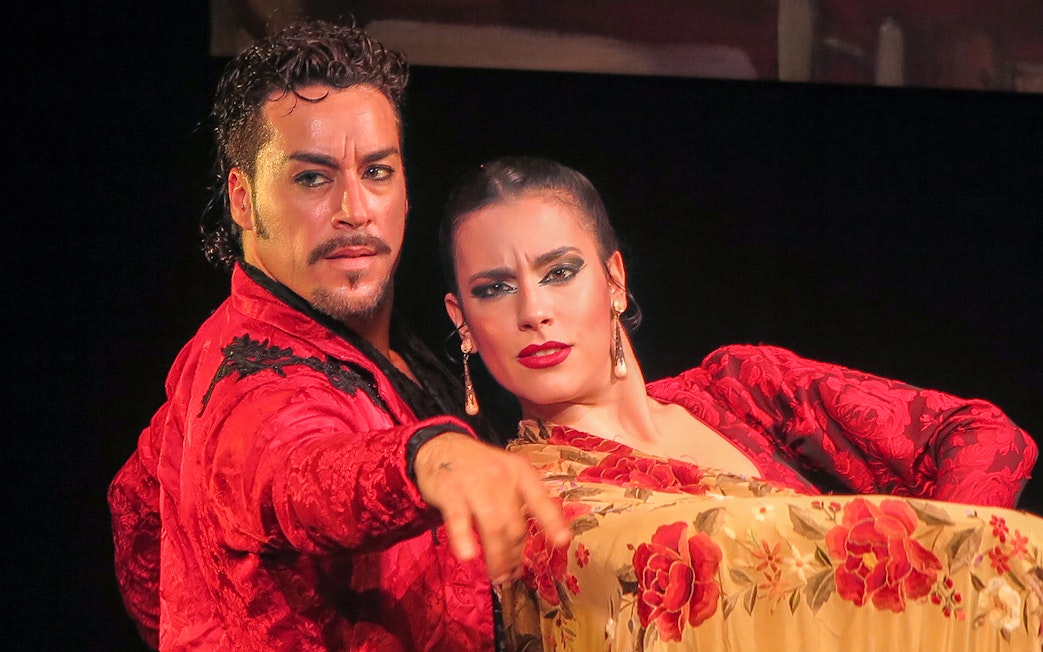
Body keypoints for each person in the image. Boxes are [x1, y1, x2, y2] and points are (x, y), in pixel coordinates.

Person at [437, 155, 1042, 649]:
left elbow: (982, 435)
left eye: (559, 272)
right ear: (462, 320)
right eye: (494, 289)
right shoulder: (522, 503)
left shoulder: (742, 388)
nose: (532, 312)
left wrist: (950, 577)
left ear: (615, 279)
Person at [107, 22, 570, 652]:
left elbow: (137, 531)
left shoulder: (378, 347)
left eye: (377, 171)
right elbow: (297, 471)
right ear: (243, 200)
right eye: (312, 178)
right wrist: (427, 460)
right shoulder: (252, 373)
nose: (354, 207)